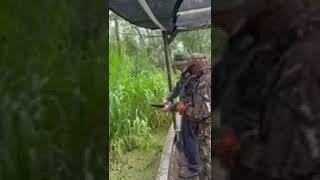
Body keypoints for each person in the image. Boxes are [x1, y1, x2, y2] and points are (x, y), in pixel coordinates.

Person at [214, 0, 320, 180]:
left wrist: (239, 149)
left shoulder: (302, 61)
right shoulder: (297, 48)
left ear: (274, 11)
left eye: (257, 24)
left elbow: (293, 163)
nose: (258, 35)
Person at [161, 52, 200, 178]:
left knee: (190, 138)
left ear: (181, 63)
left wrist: (170, 107)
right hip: (184, 111)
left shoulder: (192, 76)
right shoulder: (184, 75)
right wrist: (168, 98)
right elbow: (178, 88)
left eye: (177, 64)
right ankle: (189, 160)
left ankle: (193, 168)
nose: (175, 66)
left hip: (190, 111)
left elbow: (188, 100)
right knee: (184, 135)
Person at [184, 53, 212, 180]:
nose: (191, 72)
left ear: (197, 64)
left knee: (207, 165)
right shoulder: (207, 75)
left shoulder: (205, 81)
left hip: (207, 131)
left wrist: (185, 109)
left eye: (191, 69)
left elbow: (201, 113)